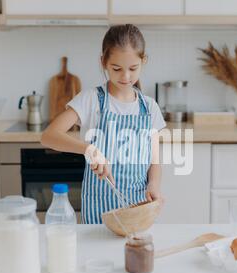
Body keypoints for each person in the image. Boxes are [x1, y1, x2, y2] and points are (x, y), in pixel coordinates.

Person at [41, 24, 166, 224]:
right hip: (98, 213)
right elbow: (49, 136)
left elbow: (155, 160)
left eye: (133, 68)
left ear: (143, 61)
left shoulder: (150, 107)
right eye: (116, 69)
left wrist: (154, 185)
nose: (125, 77)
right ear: (103, 62)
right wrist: (88, 149)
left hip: (138, 209)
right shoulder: (91, 100)